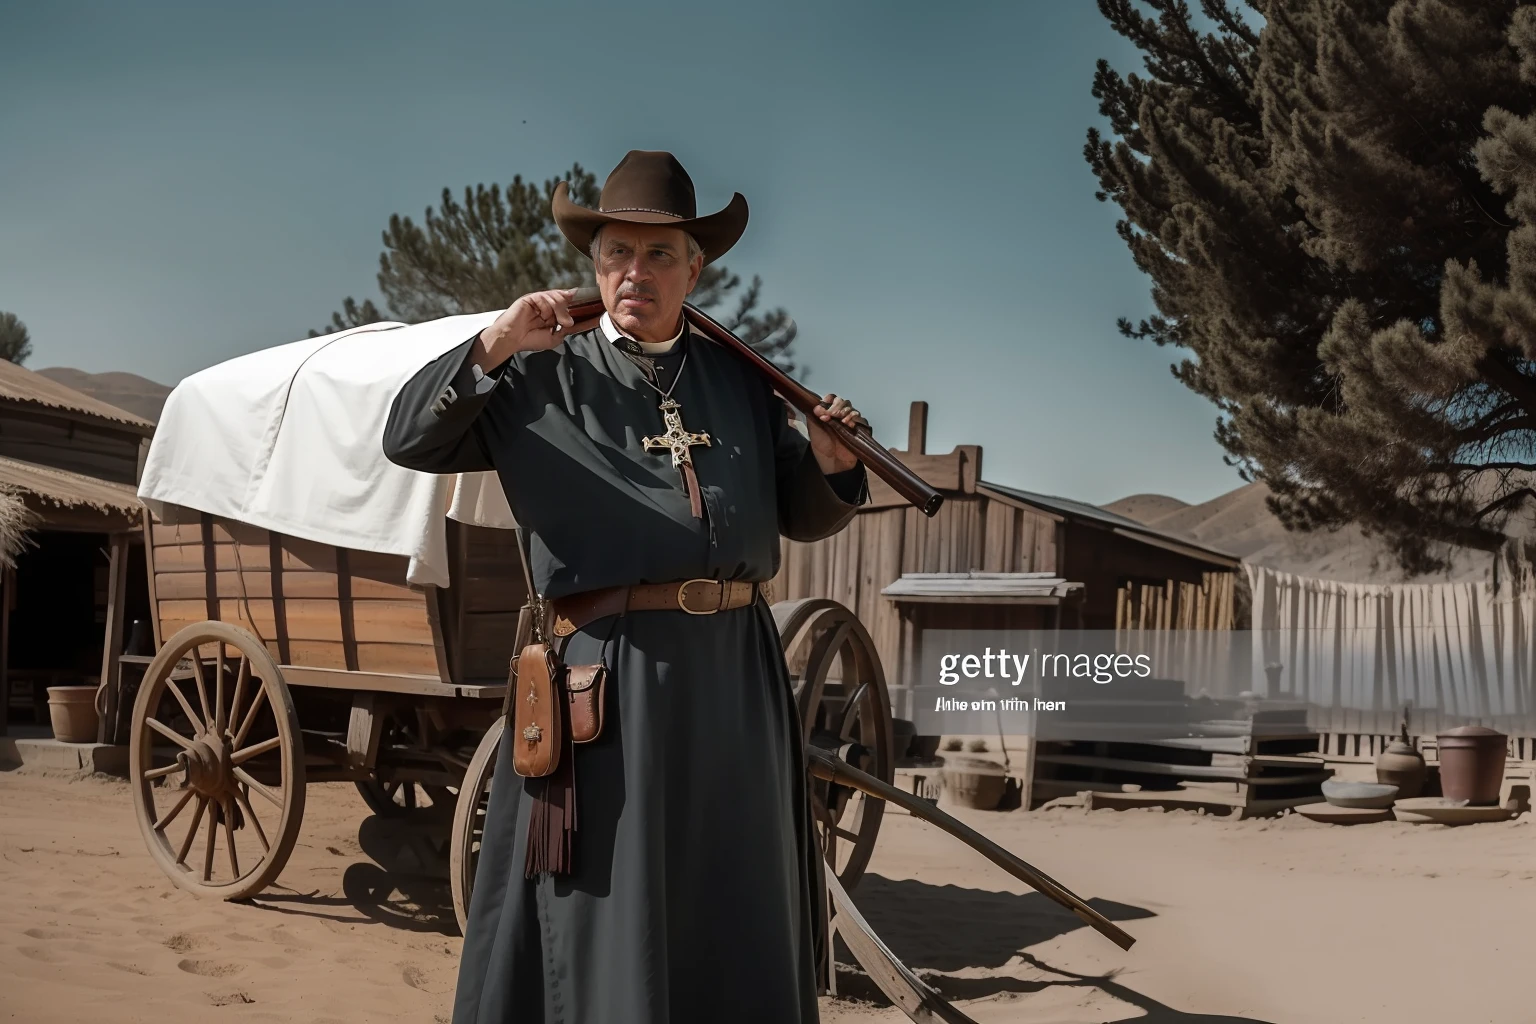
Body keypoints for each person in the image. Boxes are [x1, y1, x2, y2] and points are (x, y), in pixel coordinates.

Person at [383, 149, 868, 1024]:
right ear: (594, 264)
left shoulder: (739, 380)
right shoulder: (536, 372)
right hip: (609, 675)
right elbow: (408, 438)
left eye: (656, 255)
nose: (632, 273)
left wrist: (832, 469)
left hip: (735, 675)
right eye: (615, 254)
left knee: (732, 889)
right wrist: (495, 341)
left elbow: (794, 509)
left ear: (695, 266)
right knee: (612, 903)